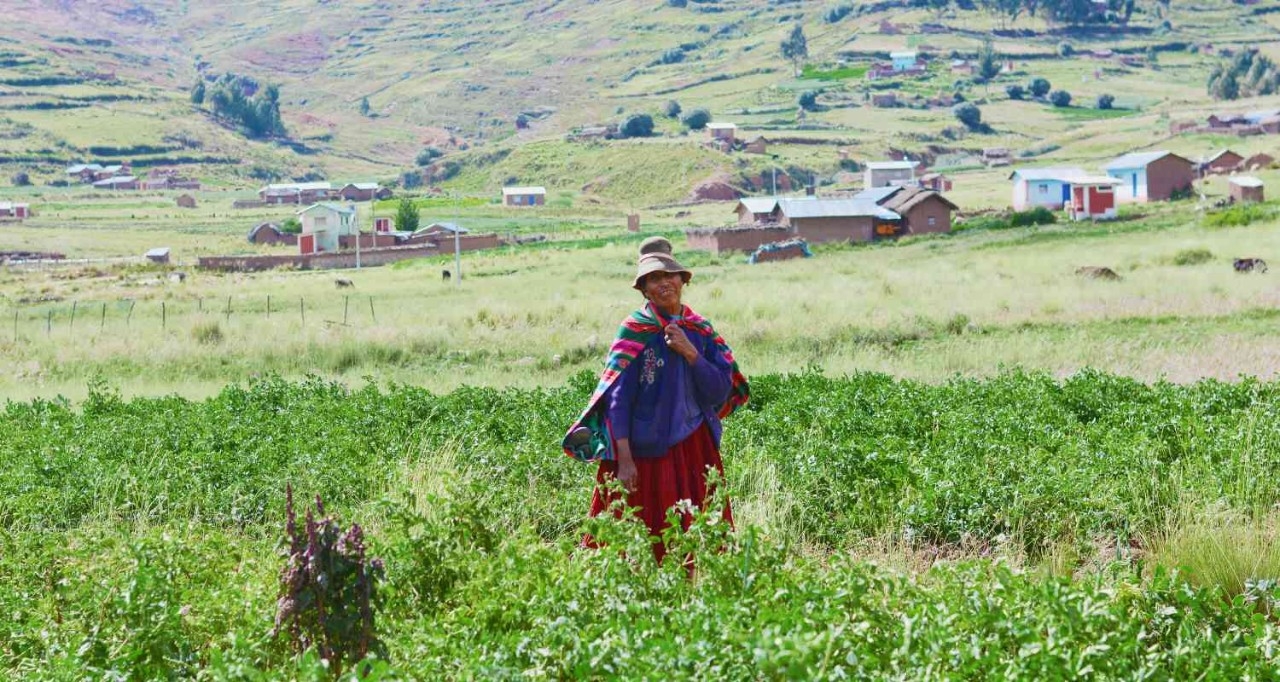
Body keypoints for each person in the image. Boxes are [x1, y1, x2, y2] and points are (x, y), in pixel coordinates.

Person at [563, 237, 749, 562]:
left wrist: (690, 353)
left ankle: (693, 592)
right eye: (654, 278)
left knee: (700, 530)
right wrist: (624, 460)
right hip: (644, 452)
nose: (664, 283)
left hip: (695, 447)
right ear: (644, 290)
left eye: (670, 275)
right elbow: (618, 401)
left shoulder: (700, 331)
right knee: (639, 532)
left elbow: (719, 390)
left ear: (683, 281)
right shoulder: (636, 331)